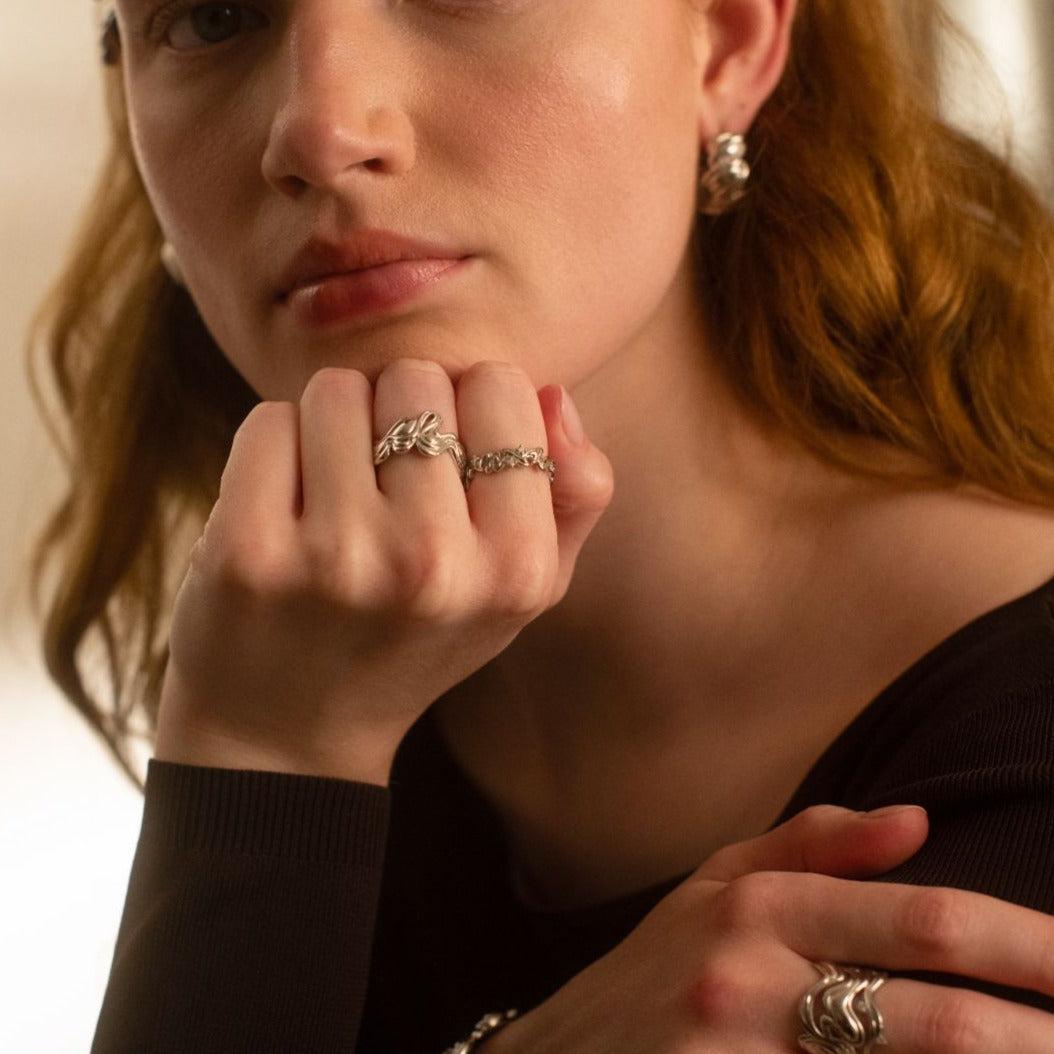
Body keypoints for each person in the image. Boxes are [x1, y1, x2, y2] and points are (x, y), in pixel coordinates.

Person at [23, 0, 1054, 1050]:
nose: (321, 131)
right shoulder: (292, 665)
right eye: (210, 16)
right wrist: (262, 751)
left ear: (731, 41)